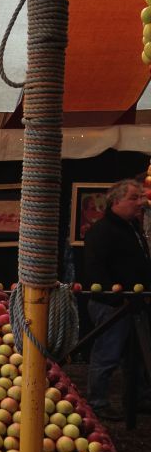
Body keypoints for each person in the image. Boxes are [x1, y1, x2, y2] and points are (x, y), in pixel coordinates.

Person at [83, 178, 151, 420]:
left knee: (138, 355)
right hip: (112, 305)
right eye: (134, 197)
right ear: (116, 201)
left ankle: (138, 398)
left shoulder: (131, 227)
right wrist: (115, 300)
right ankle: (97, 403)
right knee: (107, 354)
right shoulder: (101, 231)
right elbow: (94, 270)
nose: (140, 202)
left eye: (141, 197)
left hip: (133, 303)